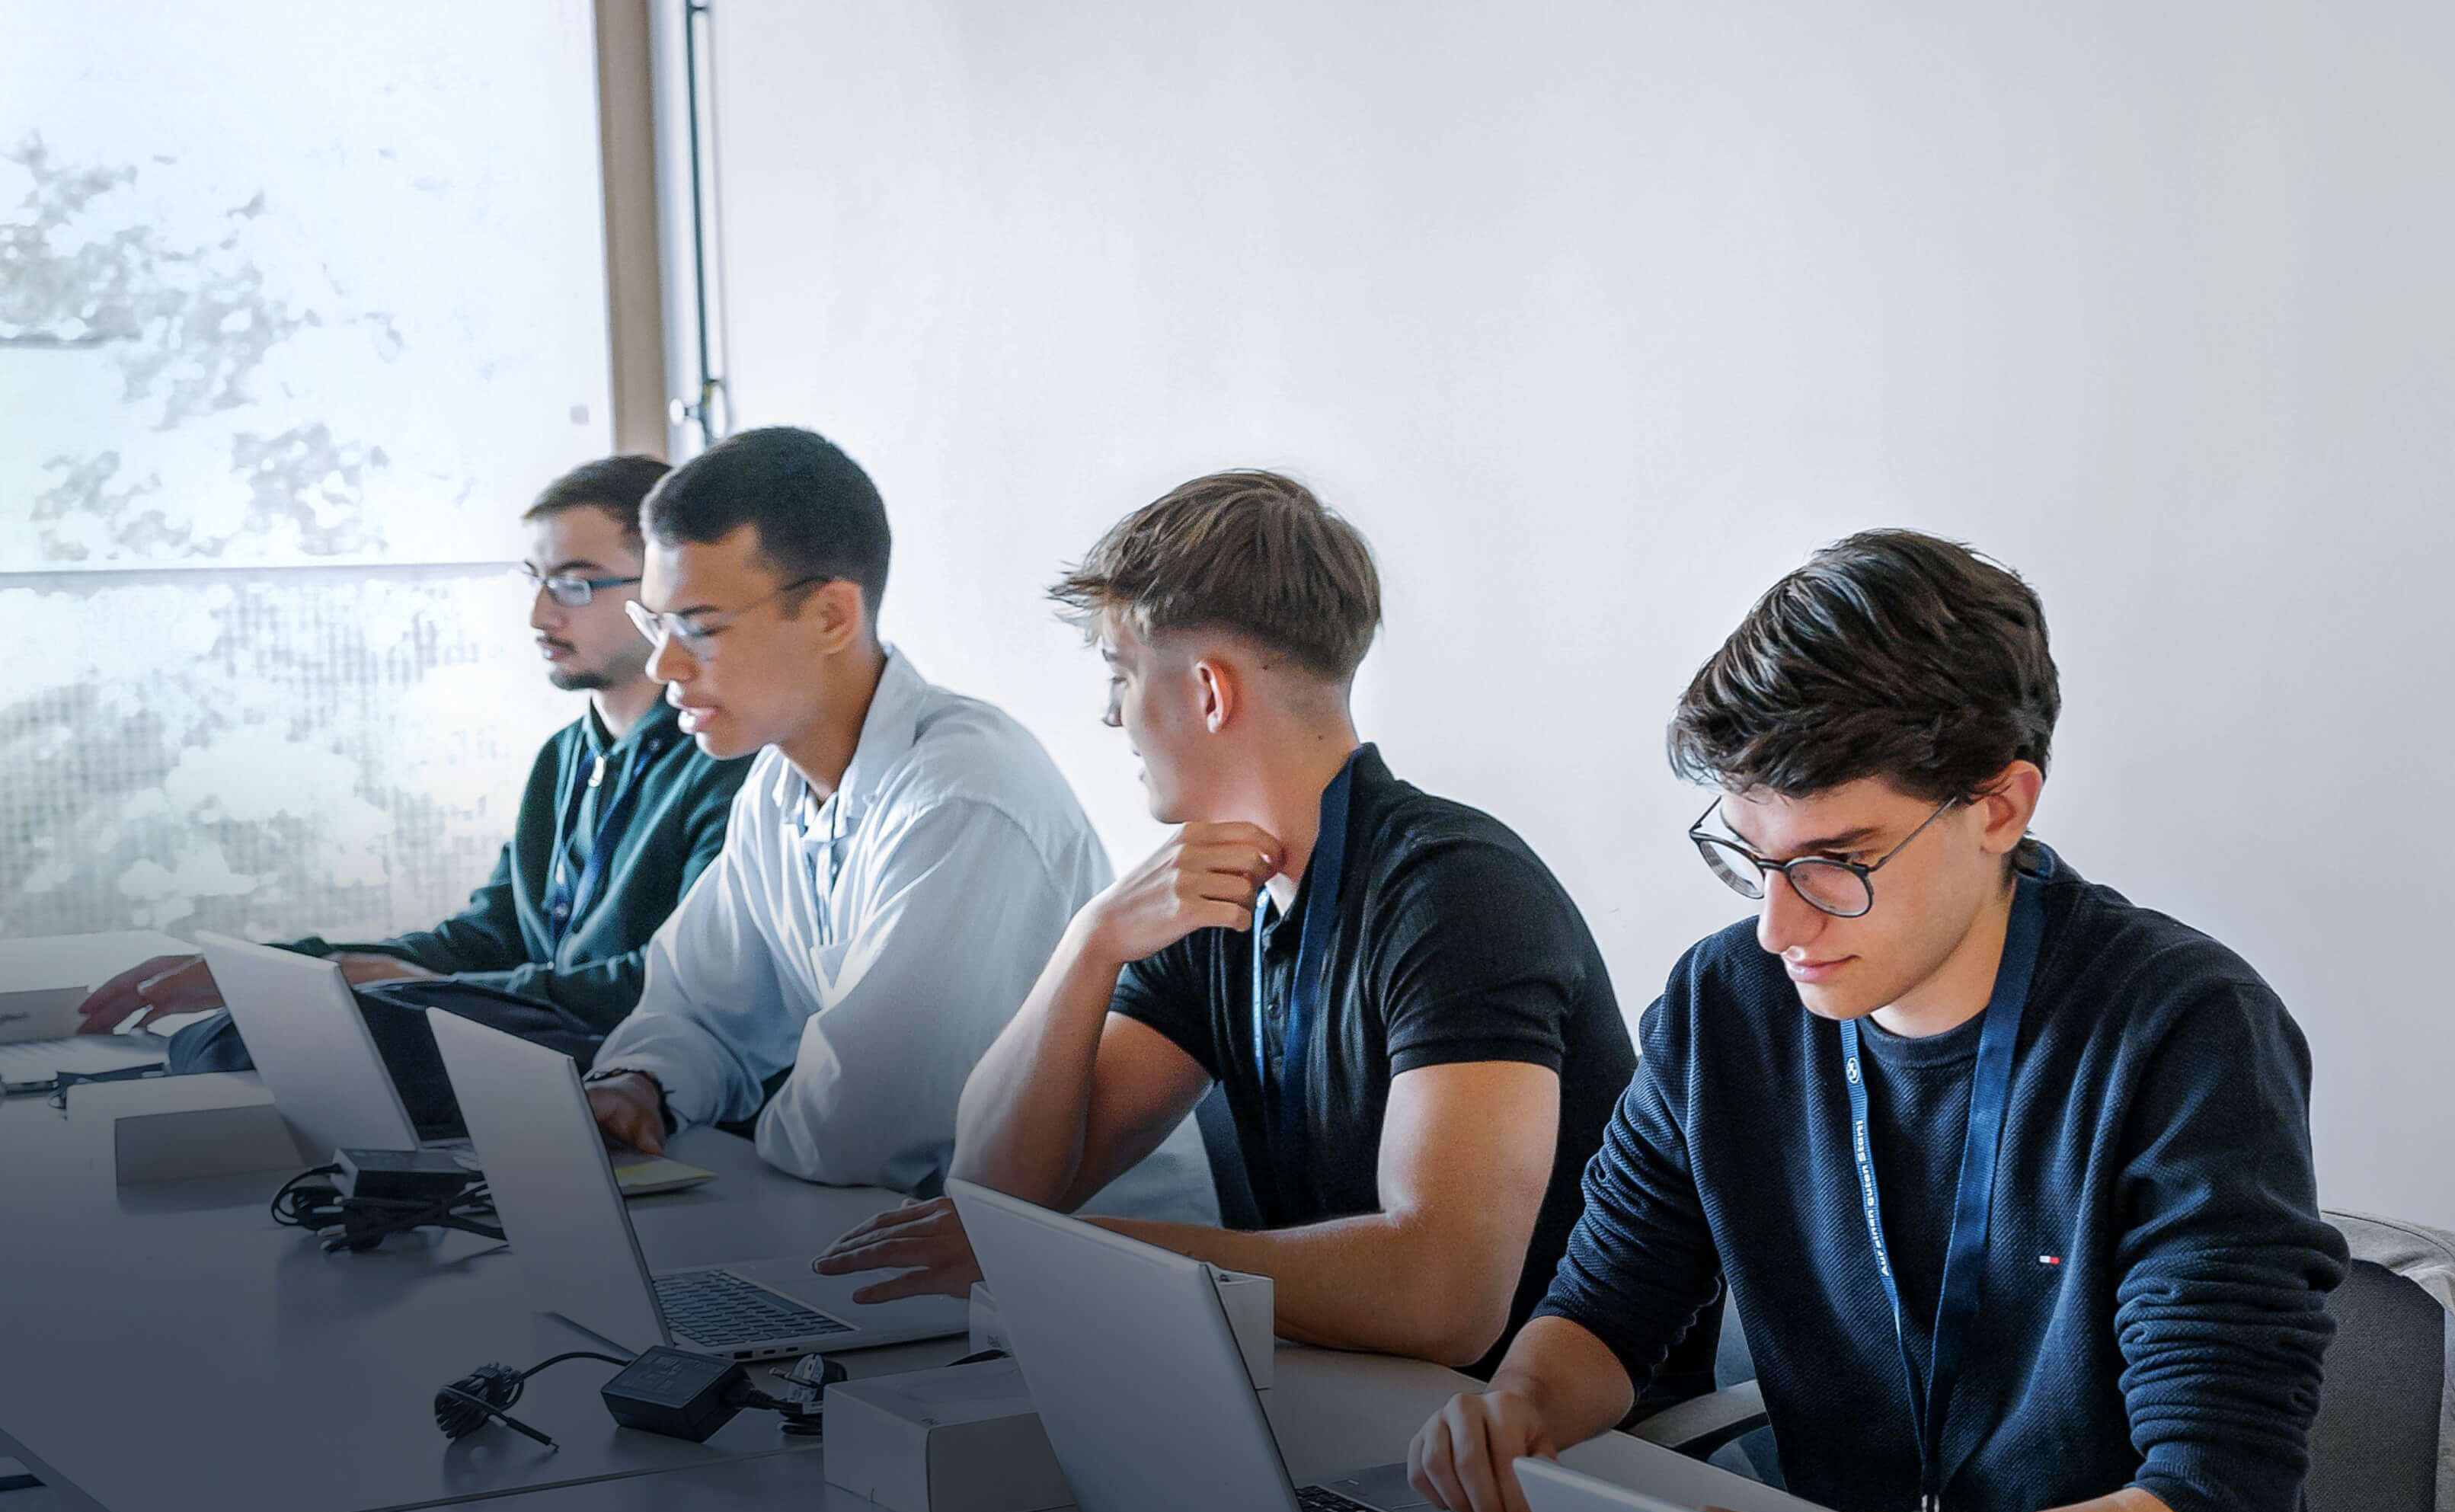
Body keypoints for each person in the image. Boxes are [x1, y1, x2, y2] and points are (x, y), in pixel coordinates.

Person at [1408, 531, 2348, 1512]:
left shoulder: (2188, 1037)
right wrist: (1517, 1404)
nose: (1779, 927)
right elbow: (1606, 1312)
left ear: (1999, 806)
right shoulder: (1725, 1006)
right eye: (1753, 859)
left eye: (1836, 862)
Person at [815, 471, 1639, 1375]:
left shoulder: (1456, 893)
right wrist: (1090, 944)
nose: (1110, 713)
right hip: (1355, 1398)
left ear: (1209, 692)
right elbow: (996, 1193)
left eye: (1121, 673)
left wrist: (1086, 1256)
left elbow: (1444, 1299)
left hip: (1535, 1437)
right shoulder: (1209, 904)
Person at [581, 426, 1209, 1210]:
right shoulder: (777, 788)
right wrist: (637, 1083)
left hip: (1080, 1256)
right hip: (897, 1226)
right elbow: (705, 1008)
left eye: (699, 628)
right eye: (656, 625)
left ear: (832, 615)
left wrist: (730, 1134)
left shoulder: (962, 796)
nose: (663, 667)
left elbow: (860, 1129)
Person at [75, 456, 752, 1063]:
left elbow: (674, 985)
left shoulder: (724, 761)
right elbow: (486, 941)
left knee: (278, 1050)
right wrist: (275, 971)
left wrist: (433, 988)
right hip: (537, 1061)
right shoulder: (565, 757)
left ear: (661, 589)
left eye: (575, 585)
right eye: (535, 580)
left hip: (642, 1075)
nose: (539, 615)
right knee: (232, 1041)